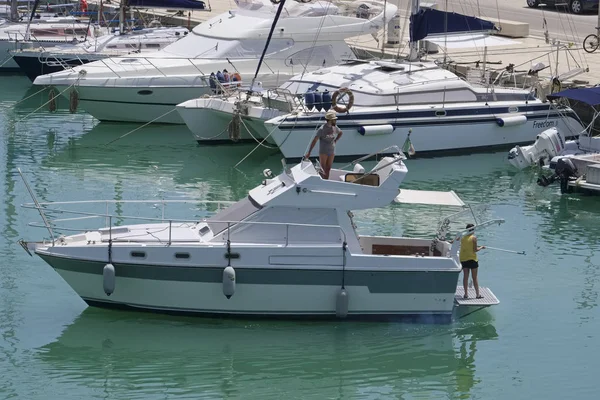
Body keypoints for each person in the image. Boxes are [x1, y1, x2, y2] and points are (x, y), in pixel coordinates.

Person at [304, 111, 343, 179]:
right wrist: (309, 152)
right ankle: (321, 181)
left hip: (332, 151)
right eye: (334, 120)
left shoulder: (334, 127)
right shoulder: (321, 129)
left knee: (328, 168)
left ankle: (326, 181)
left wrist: (336, 140)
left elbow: (340, 132)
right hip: (323, 151)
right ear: (330, 120)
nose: (335, 121)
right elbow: (315, 140)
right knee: (322, 169)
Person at [459, 223, 485, 299]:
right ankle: (477, 295)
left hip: (463, 259)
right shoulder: (474, 238)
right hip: (472, 259)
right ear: (473, 230)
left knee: (465, 277)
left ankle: (466, 294)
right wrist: (481, 247)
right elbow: (475, 250)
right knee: (474, 277)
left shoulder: (462, 237)